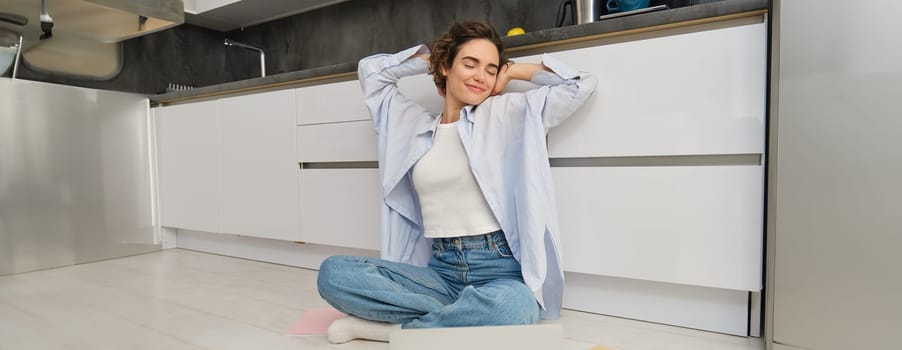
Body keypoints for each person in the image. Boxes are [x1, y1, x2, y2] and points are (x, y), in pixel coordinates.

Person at [317, 21, 596, 344]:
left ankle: (390, 331)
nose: (481, 75)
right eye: (470, 63)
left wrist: (513, 71)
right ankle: (458, 318)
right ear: (447, 67)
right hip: (440, 271)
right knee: (333, 274)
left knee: (514, 306)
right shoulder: (412, 125)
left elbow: (580, 85)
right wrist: (430, 60)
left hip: (498, 269)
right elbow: (373, 75)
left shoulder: (506, 113)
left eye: (491, 69)